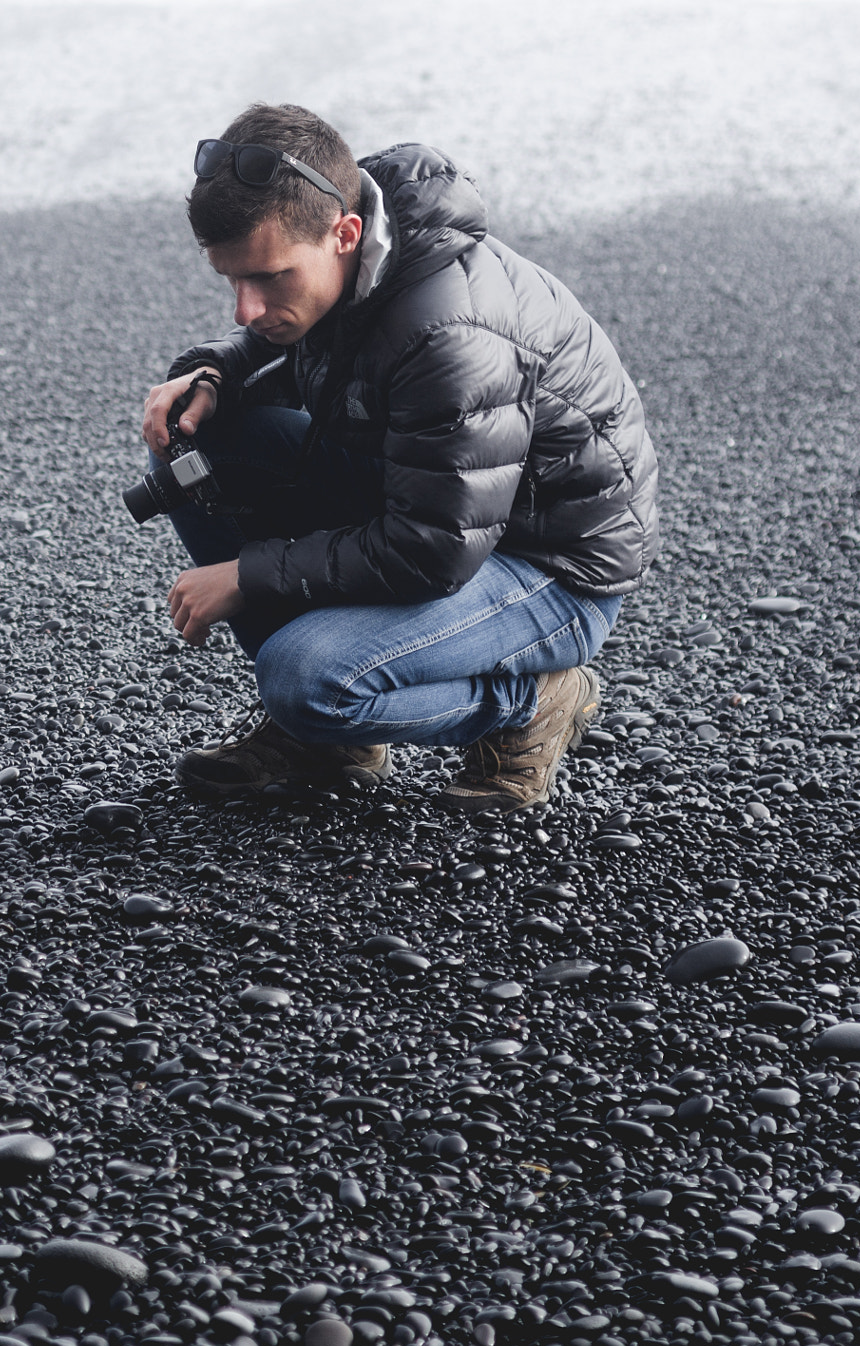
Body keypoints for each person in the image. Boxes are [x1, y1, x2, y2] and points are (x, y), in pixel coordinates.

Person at [143, 103, 658, 814]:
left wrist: (247, 576)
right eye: (232, 282)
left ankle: (530, 700)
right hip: (437, 507)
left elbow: (432, 551)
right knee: (197, 451)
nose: (245, 309)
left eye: (267, 279)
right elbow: (277, 345)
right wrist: (216, 376)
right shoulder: (349, 247)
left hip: (549, 568)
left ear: (345, 234)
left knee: (304, 678)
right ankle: (327, 744)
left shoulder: (448, 331)